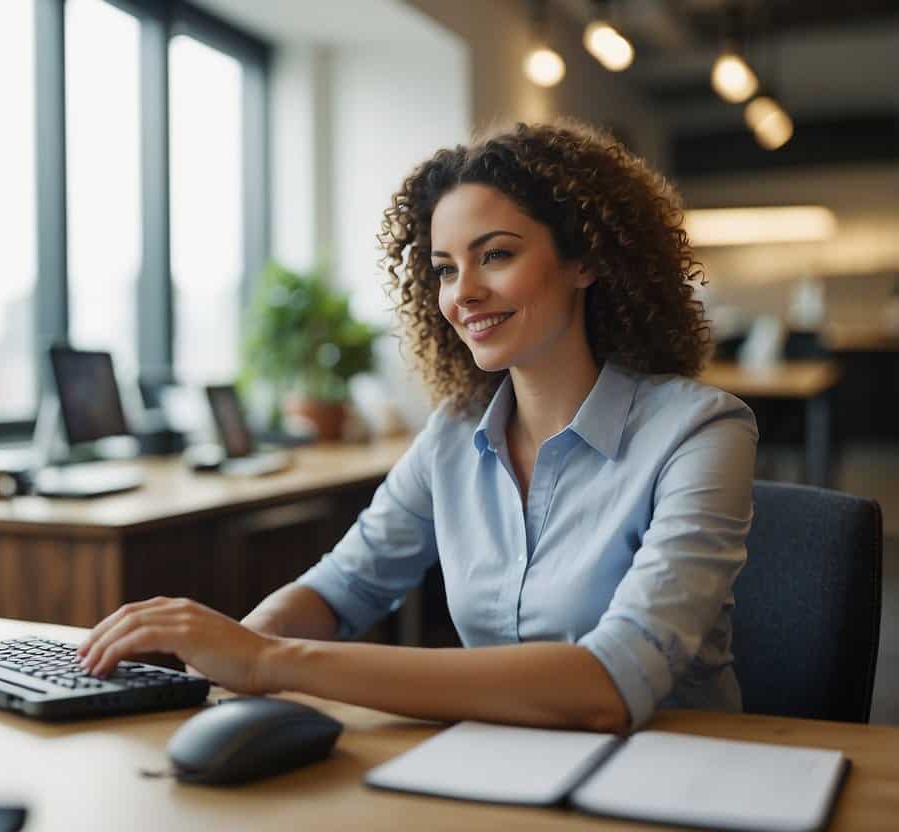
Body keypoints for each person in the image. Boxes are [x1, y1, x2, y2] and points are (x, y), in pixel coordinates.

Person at [77, 120, 757, 734]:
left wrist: (271, 660)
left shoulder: (699, 432)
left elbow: (609, 684)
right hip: (498, 769)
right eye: (443, 269)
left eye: (495, 256)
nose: (462, 293)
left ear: (585, 260)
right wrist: (231, 659)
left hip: (669, 778)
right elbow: (341, 587)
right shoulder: (453, 433)